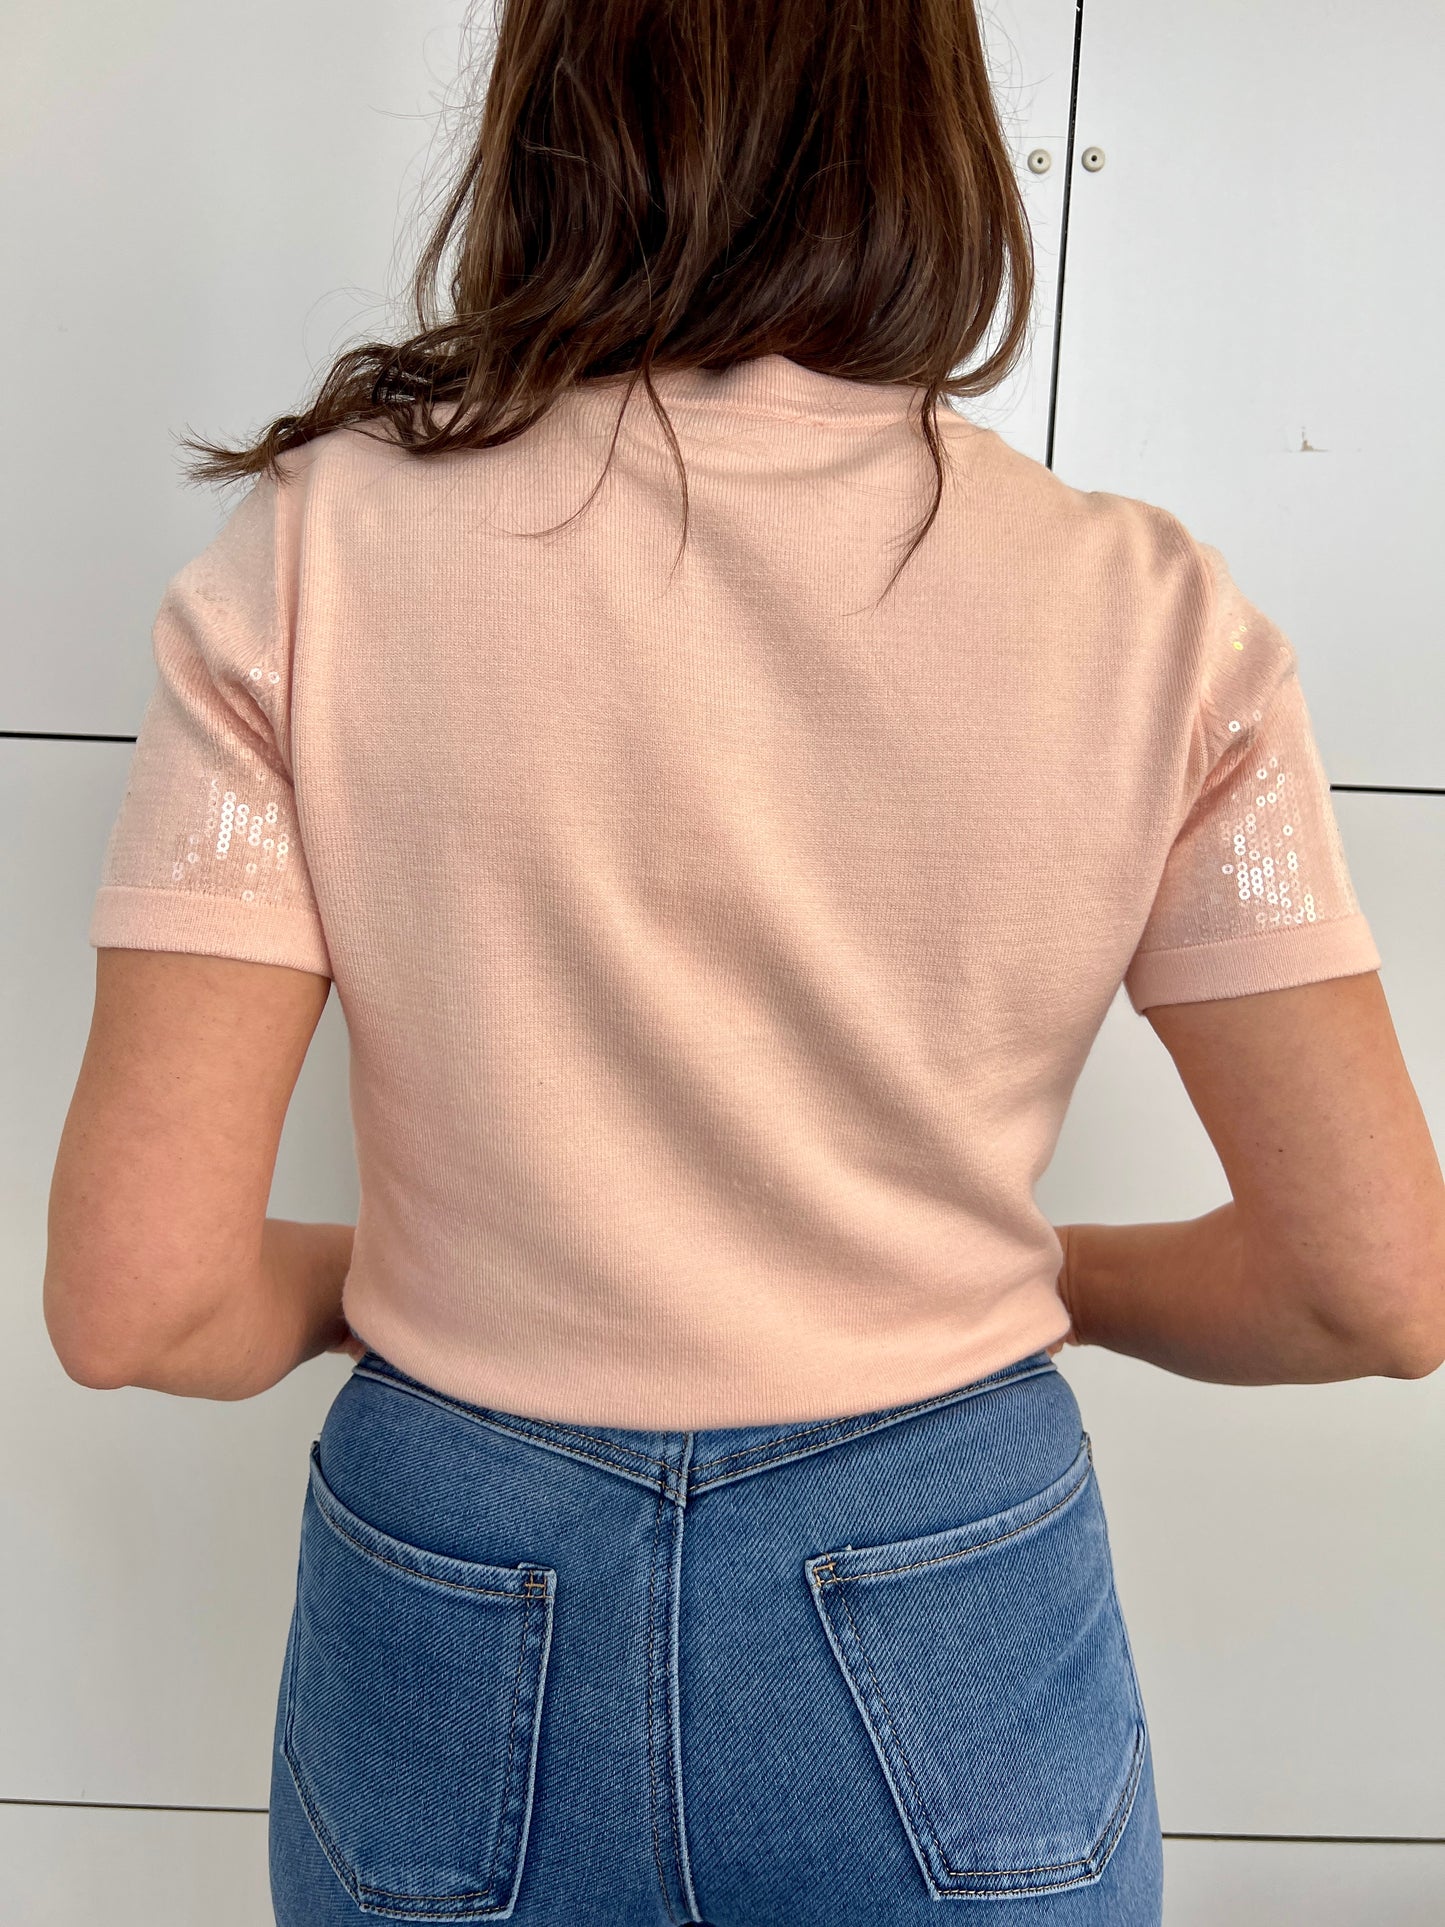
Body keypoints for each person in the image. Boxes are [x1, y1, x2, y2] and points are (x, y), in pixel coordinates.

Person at [44, 2, 1445, 1923]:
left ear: (556, 105)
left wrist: (450, 1279)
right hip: (945, 1586)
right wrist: (1025, 1277)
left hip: (455, 1576)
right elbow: (1371, 1289)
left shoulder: (315, 557)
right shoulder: (1148, 615)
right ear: (933, 135)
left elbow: (144, 1304)